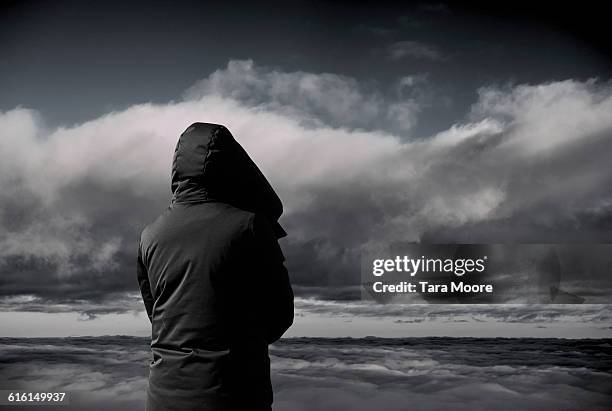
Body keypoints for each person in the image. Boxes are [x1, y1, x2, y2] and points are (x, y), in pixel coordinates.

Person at [137, 122, 294, 411]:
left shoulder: (150, 234)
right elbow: (280, 314)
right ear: (234, 165)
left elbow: (157, 315)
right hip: (233, 395)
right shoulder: (249, 225)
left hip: (162, 397)